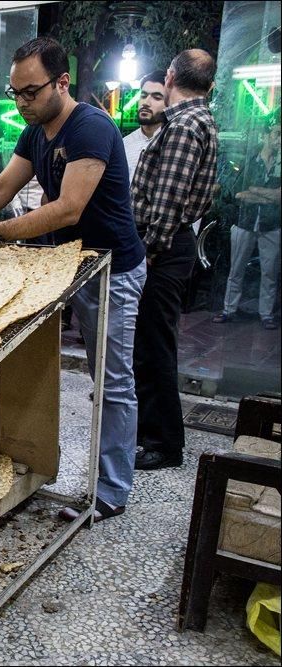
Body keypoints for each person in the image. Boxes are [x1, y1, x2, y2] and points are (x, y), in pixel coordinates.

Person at [0, 37, 146, 523]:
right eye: (15, 92)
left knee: (112, 380)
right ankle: (36, 460)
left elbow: (67, 207)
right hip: (67, 262)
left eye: (30, 92)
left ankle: (110, 490)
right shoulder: (34, 131)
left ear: (62, 82)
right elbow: (0, 188)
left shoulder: (90, 128)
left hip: (111, 268)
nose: (21, 103)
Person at [132, 49, 219, 471]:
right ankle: (149, 430)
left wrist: (148, 251)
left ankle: (164, 443)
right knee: (149, 342)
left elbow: (166, 201)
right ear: (210, 84)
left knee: (155, 345)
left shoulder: (184, 126)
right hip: (168, 244)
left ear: (169, 77)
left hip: (162, 248)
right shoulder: (198, 120)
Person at [214, 123, 280, 330]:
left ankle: (266, 314)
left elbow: (279, 197)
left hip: (271, 224)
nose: (279, 140)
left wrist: (258, 193)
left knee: (270, 271)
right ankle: (229, 309)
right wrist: (269, 195)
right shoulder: (251, 162)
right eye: (277, 134)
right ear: (266, 136)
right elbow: (240, 192)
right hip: (244, 221)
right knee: (236, 268)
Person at [123, 70, 168, 182]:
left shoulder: (172, 143)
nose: (146, 102)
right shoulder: (125, 143)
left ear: (169, 104)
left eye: (156, 97)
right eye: (143, 95)